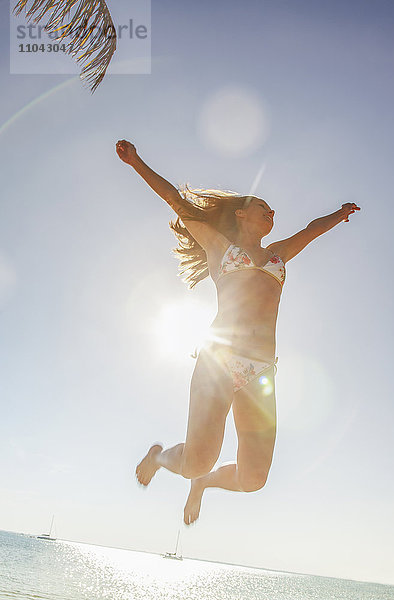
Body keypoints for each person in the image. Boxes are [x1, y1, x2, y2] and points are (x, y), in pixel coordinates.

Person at [115, 139, 360, 525]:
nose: (273, 211)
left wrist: (338, 214)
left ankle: (204, 485)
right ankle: (160, 456)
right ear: (242, 215)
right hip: (218, 360)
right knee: (197, 459)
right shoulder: (219, 247)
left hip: (261, 370)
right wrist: (136, 163)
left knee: (254, 479)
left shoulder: (278, 253)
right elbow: (177, 202)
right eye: (264, 207)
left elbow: (311, 231)